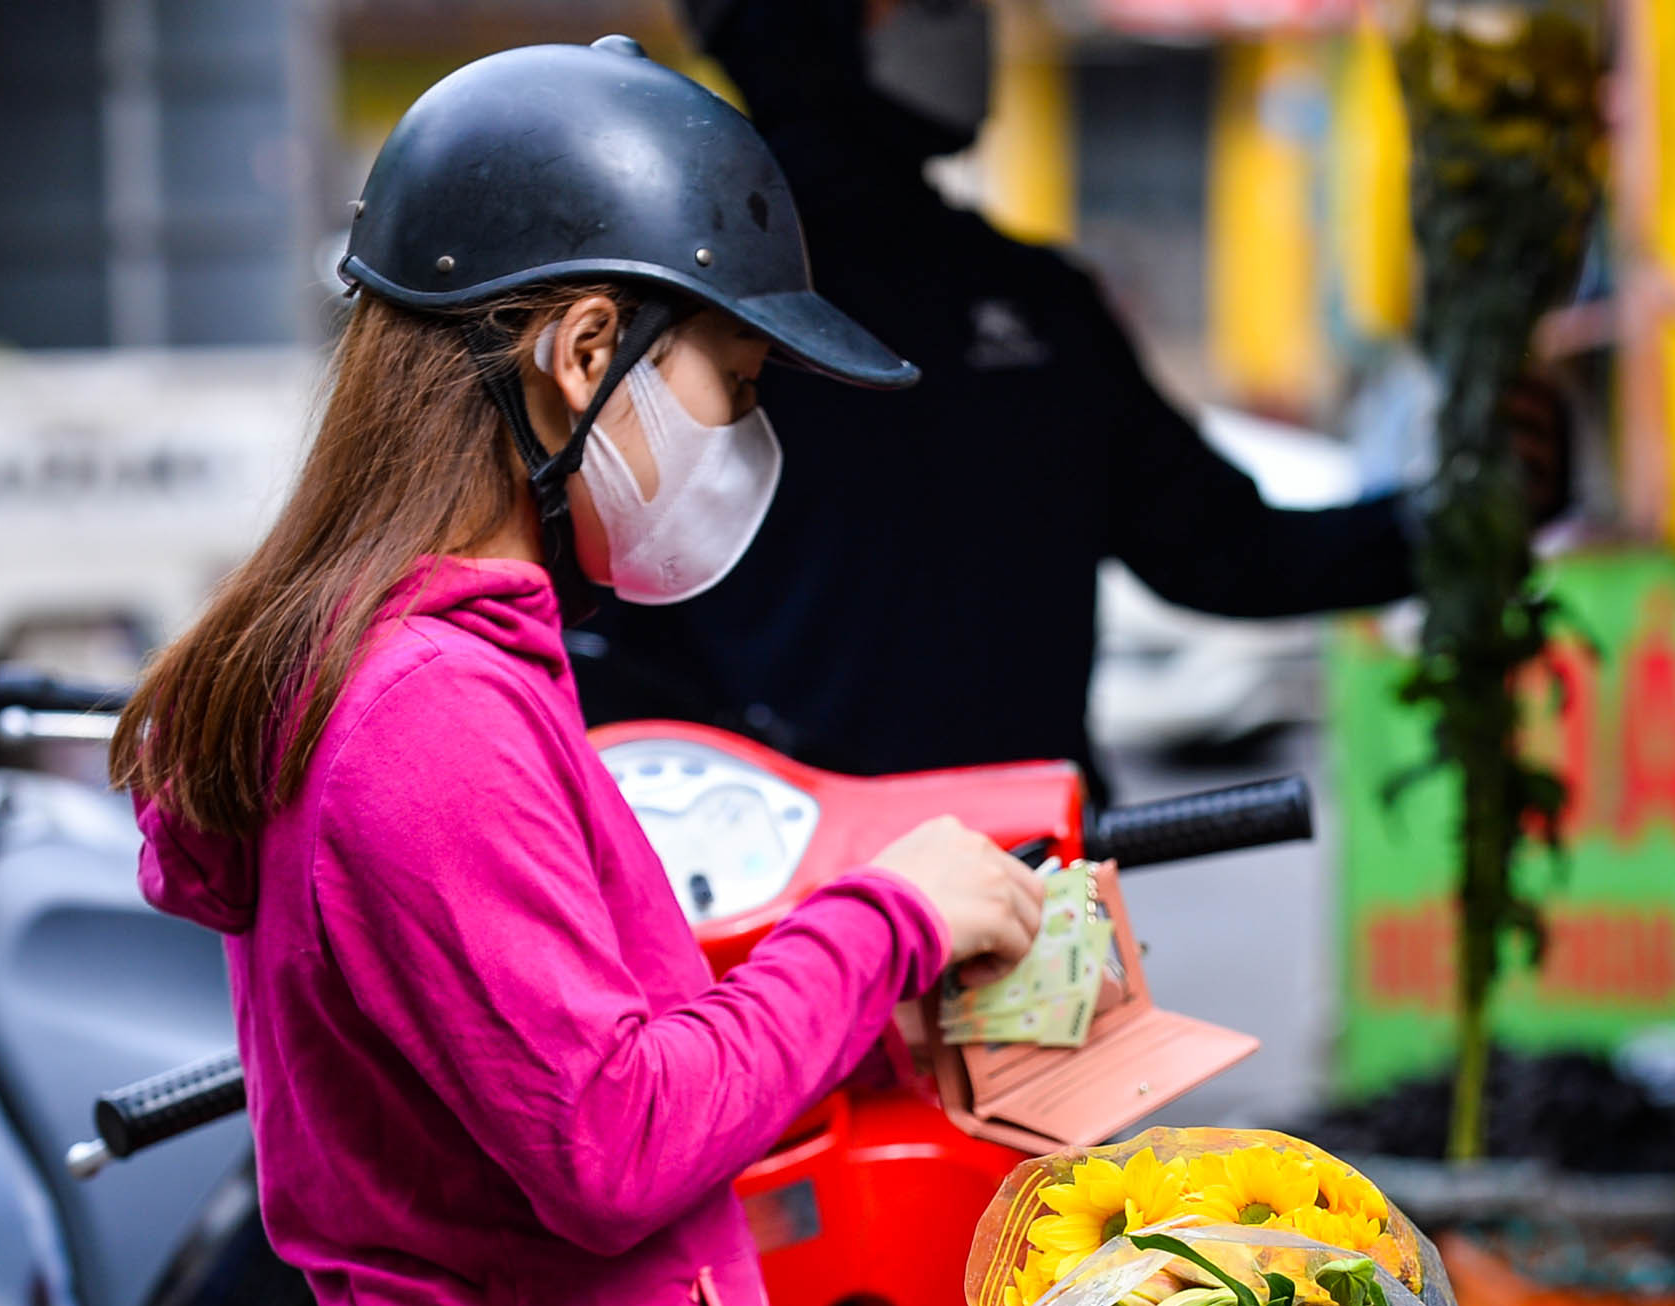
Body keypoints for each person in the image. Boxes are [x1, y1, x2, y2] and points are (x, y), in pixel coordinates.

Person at [114, 41, 1041, 1306]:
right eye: (735, 381)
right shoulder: (426, 714)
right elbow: (611, 1125)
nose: (744, 433)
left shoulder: (455, 671)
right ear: (583, 347)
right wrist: (886, 920)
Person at [573, 0, 1421, 789]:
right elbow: (595, 629)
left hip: (1037, 891)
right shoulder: (671, 308)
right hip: (784, 901)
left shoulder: (1040, 303)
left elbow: (1220, 549)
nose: (970, 22)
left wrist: (1456, 520)